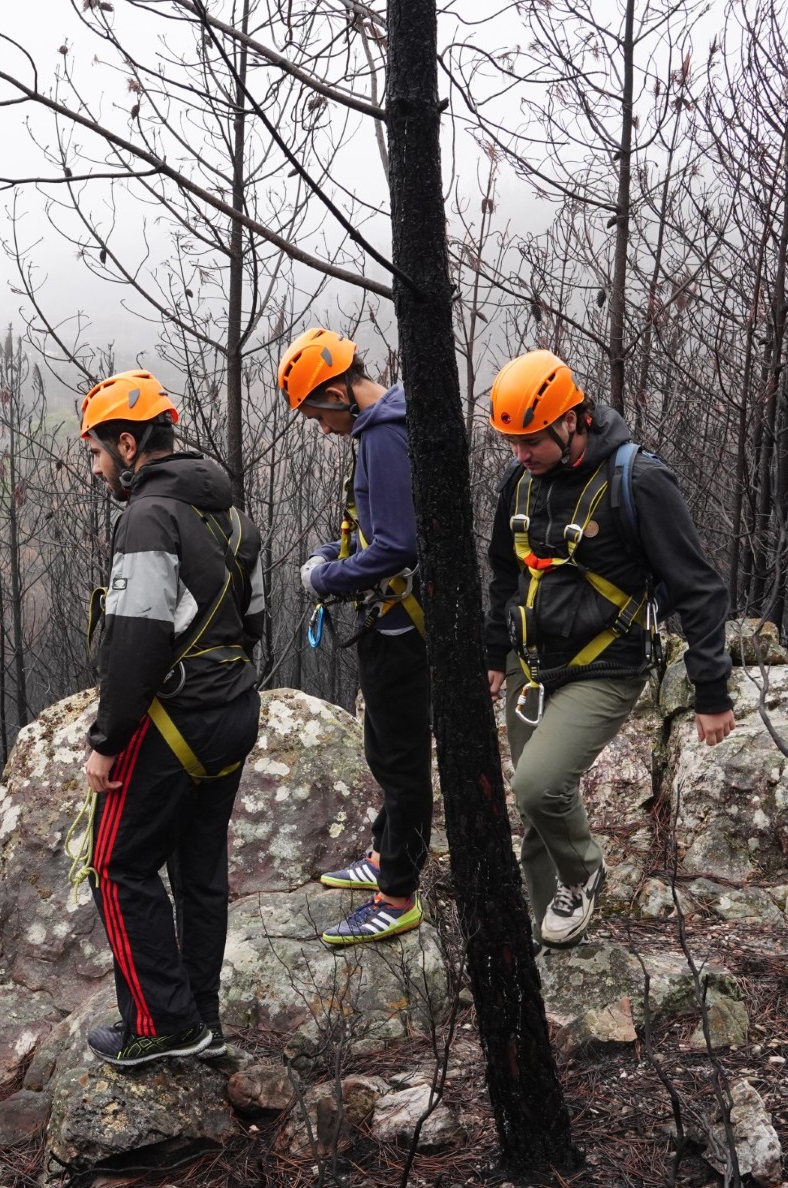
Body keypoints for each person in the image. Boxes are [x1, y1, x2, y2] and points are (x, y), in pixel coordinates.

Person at [482, 350, 736, 948]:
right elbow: (502, 575)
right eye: (512, 442)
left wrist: (711, 690)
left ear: (572, 420)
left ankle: (585, 873)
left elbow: (699, 589)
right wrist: (495, 656)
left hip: (605, 664)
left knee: (540, 785)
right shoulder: (521, 484)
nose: (521, 454)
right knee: (540, 814)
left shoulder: (638, 481)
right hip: (531, 665)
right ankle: (549, 945)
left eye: (532, 440)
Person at [78, 369, 265, 1067]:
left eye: (98, 452)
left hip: (173, 719)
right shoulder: (231, 513)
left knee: (116, 865)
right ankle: (201, 1020)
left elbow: (137, 640)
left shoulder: (148, 517)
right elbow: (254, 621)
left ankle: (159, 1025)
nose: (97, 468)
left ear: (129, 444)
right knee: (199, 872)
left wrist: (107, 741)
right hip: (232, 710)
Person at [278, 328, 433, 948]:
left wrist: (330, 576)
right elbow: (380, 529)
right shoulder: (380, 429)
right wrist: (332, 554)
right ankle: (383, 851)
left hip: (402, 622)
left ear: (339, 390)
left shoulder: (386, 435)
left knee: (400, 760)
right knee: (382, 750)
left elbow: (400, 546)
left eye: (318, 412)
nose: (320, 427)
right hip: (387, 618)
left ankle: (396, 894)